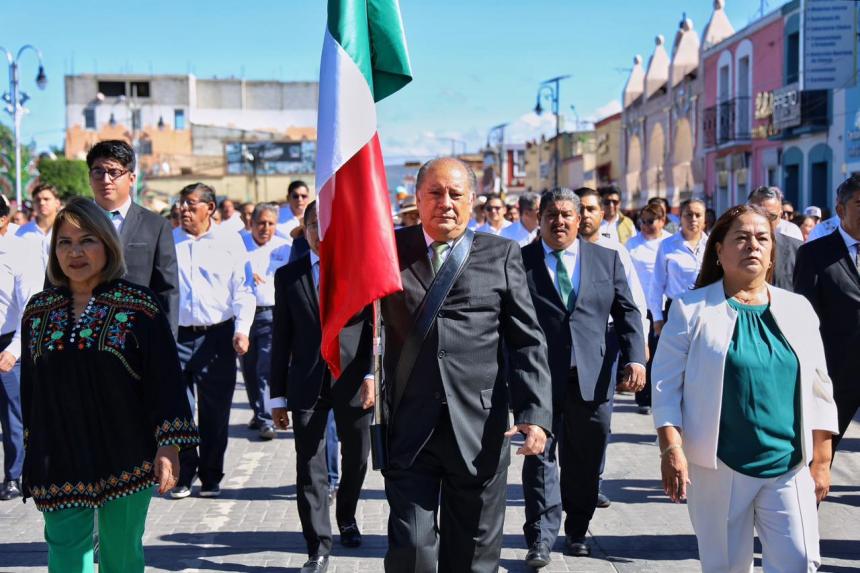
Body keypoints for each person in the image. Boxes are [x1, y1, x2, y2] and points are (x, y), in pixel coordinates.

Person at [380, 158, 552, 572]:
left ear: (472, 200)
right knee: (412, 553)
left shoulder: (501, 254)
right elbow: (356, 321)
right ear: (417, 199)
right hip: (409, 426)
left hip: (479, 429)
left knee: (473, 557)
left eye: (456, 194)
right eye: (435, 194)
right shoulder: (387, 250)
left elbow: (526, 340)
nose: (446, 204)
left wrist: (535, 414)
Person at [652, 204, 837, 573]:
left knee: (799, 561)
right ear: (719, 251)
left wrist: (822, 461)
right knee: (725, 566)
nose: (752, 245)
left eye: (762, 238)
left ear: (771, 254)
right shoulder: (692, 309)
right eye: (741, 238)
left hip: (788, 463)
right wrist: (671, 447)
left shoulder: (798, 308)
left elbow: (820, 389)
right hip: (719, 466)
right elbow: (664, 386)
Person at [20, 198, 198, 573]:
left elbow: (164, 380)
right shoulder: (38, 311)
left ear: (107, 243)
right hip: (59, 455)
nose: (75, 252)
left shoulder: (139, 307)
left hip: (126, 452)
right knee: (67, 556)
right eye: (64, 243)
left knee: (120, 555)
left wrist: (169, 445)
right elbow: (31, 391)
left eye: (87, 240)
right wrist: (31, 453)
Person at [520, 189, 645, 567]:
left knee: (585, 460)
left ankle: (576, 530)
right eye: (551, 215)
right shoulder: (519, 261)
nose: (559, 222)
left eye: (566, 215)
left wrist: (636, 359)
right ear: (539, 219)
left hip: (593, 377)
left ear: (579, 220)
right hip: (538, 377)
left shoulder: (606, 259)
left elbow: (628, 312)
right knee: (539, 457)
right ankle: (540, 538)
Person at [270, 201, 373, 573]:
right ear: (304, 227)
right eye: (314, 224)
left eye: (328, 224)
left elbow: (374, 330)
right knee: (309, 466)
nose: (320, 232)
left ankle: (346, 515)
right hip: (307, 383)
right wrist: (276, 395)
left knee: (358, 458)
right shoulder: (289, 276)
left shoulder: (361, 271)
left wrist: (372, 375)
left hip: (353, 381)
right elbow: (281, 338)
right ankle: (318, 546)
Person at [170, 183, 255, 499]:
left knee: (215, 411)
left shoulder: (230, 242)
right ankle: (183, 473)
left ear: (210, 208)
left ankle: (210, 475)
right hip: (176, 337)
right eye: (181, 204)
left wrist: (242, 329)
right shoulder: (169, 241)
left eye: (191, 205)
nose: (184, 210)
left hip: (218, 337)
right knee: (179, 409)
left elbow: (244, 289)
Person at [795, 175, 860, 456]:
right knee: (817, 458)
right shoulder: (814, 254)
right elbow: (805, 319)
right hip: (835, 375)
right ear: (841, 210)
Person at [86, 140, 180, 334]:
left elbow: (167, 291)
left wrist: (166, 346)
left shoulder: (156, 226)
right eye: (98, 171)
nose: (105, 180)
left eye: (114, 172)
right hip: (83, 333)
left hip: (136, 334)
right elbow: (55, 281)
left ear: (132, 178)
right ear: (90, 176)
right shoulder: (73, 223)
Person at [0, 201, 42, 500]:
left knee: (13, 416)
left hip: (8, 344)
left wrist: (15, 350)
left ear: (3, 220)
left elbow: (29, 307)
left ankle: (14, 476)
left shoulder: (18, 253)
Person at [241, 203, 291, 440]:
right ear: (252, 223)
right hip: (244, 317)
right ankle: (257, 411)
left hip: (272, 315)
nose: (265, 228)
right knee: (249, 369)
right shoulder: (238, 245)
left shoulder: (285, 248)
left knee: (265, 368)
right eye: (261, 223)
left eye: (271, 223)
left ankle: (265, 418)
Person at [626, 203, 673, 414]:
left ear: (662, 221)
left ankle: (662, 395)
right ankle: (643, 396)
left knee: (662, 352)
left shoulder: (668, 243)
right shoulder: (632, 244)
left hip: (664, 306)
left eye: (650, 221)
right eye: (642, 221)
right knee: (644, 351)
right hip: (639, 304)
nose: (645, 226)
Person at [649, 198, 708, 336]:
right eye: (688, 214)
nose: (693, 219)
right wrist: (657, 319)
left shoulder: (712, 245)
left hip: (705, 310)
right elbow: (657, 284)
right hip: (676, 311)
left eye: (698, 215)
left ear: (705, 219)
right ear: (680, 217)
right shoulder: (667, 245)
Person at [747, 186, 801, 292]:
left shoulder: (797, 249)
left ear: (780, 215)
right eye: (759, 214)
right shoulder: (731, 247)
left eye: (771, 216)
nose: (764, 221)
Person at [16, 183, 62, 273]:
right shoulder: (21, 233)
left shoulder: (67, 230)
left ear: (57, 203)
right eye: (37, 200)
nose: (42, 203)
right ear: (33, 204)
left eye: (46, 199)